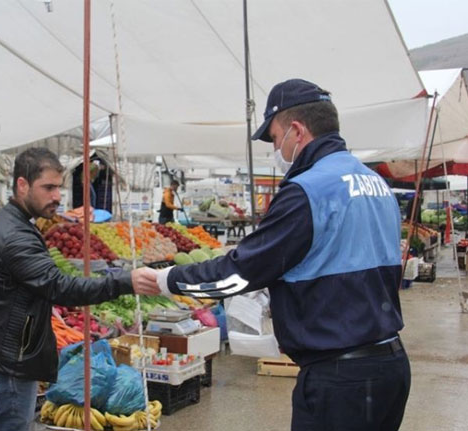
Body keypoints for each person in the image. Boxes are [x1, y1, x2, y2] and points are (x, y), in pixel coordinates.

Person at [155, 79, 410, 431]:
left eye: (275, 138)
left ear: (296, 130)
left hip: (341, 379)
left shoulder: (309, 189)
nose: (276, 149)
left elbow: (240, 272)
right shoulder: (375, 184)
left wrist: (165, 280)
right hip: (390, 365)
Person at [0, 148, 160, 431]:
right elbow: (60, 287)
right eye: (48, 187)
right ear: (22, 185)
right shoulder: (14, 236)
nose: (56, 196)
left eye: (59, 187)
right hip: (5, 368)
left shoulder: (5, 222)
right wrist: (125, 282)